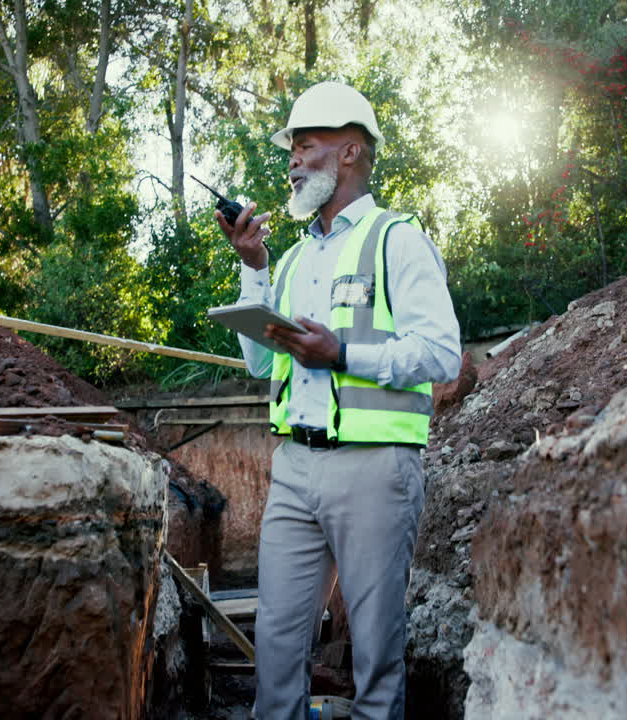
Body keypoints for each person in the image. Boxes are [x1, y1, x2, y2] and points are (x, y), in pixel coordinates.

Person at [214, 81, 461, 720]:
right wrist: (253, 265)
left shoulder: (396, 240)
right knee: (276, 639)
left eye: (307, 145)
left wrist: (343, 355)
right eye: (291, 149)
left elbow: (441, 354)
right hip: (295, 466)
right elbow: (263, 363)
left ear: (350, 151)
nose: (293, 161)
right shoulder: (292, 261)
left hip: (376, 468)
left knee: (376, 651)